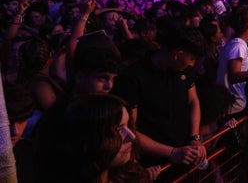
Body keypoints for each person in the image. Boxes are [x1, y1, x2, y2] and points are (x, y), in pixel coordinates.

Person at [111, 25, 209, 170]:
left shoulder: (184, 70)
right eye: (191, 59)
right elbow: (131, 129)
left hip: (184, 154)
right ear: (178, 54)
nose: (192, 64)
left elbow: (193, 101)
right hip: (156, 164)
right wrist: (172, 152)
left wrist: (194, 137)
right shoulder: (134, 77)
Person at [34, 93, 151, 183]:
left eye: (128, 125)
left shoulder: (130, 176)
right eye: (119, 129)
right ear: (86, 140)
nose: (132, 136)